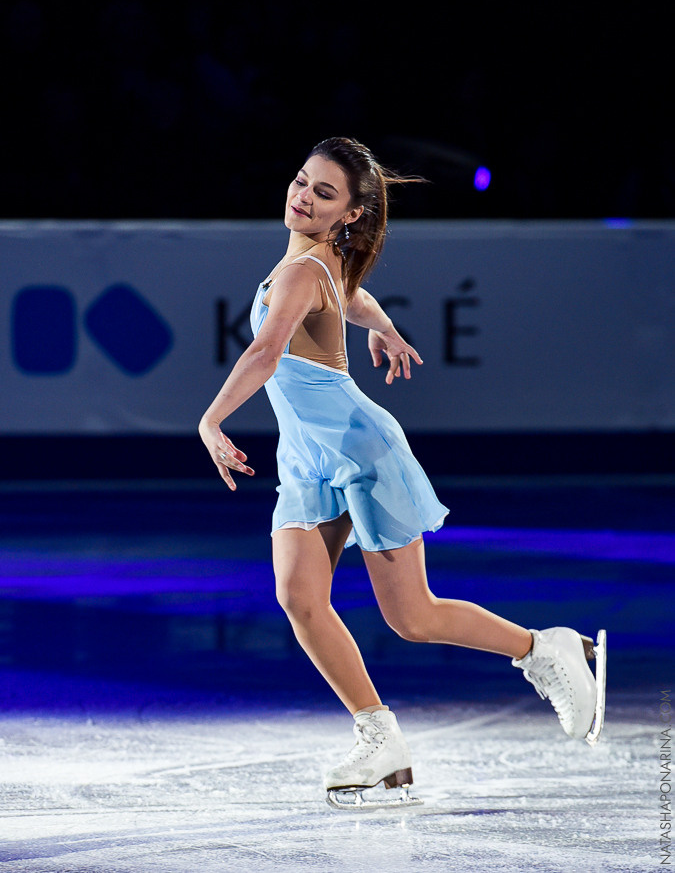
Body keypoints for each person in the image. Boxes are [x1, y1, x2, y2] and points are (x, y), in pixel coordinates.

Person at [199, 137, 606, 809]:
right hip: (308, 459)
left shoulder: (305, 269)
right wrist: (382, 326)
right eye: (302, 182)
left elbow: (267, 352)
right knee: (300, 598)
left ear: (349, 215)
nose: (301, 197)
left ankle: (543, 649)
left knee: (411, 617)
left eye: (322, 194)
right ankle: (378, 737)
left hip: (359, 452)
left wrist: (211, 422)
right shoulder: (316, 260)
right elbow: (352, 298)